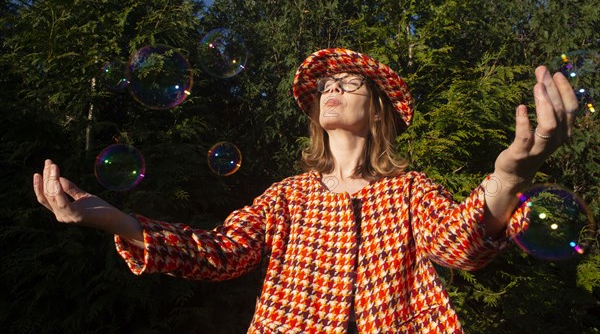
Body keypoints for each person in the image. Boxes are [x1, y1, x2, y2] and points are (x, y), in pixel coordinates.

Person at [34, 48, 578, 333]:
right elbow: (220, 253)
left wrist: (508, 178)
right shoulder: (288, 195)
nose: (331, 90)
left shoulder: (409, 190)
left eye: (349, 83)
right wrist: (120, 222)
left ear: (379, 109)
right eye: (325, 86)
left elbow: (461, 246)